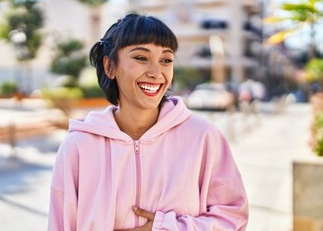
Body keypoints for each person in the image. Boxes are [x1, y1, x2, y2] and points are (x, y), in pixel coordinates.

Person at [48, 13, 249, 230]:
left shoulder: (204, 137)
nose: (156, 73)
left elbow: (234, 216)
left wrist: (169, 228)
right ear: (110, 67)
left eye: (166, 60)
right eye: (141, 58)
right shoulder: (78, 146)